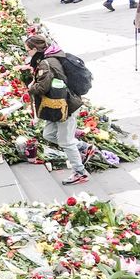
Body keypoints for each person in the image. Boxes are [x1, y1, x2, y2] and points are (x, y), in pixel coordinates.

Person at [25, 34, 89, 185]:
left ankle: (80, 172)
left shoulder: (46, 63)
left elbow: (42, 87)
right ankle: (83, 147)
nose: (27, 53)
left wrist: (30, 87)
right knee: (48, 134)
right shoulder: (50, 56)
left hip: (64, 106)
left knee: (66, 142)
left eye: (28, 50)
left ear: (35, 49)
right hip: (55, 106)